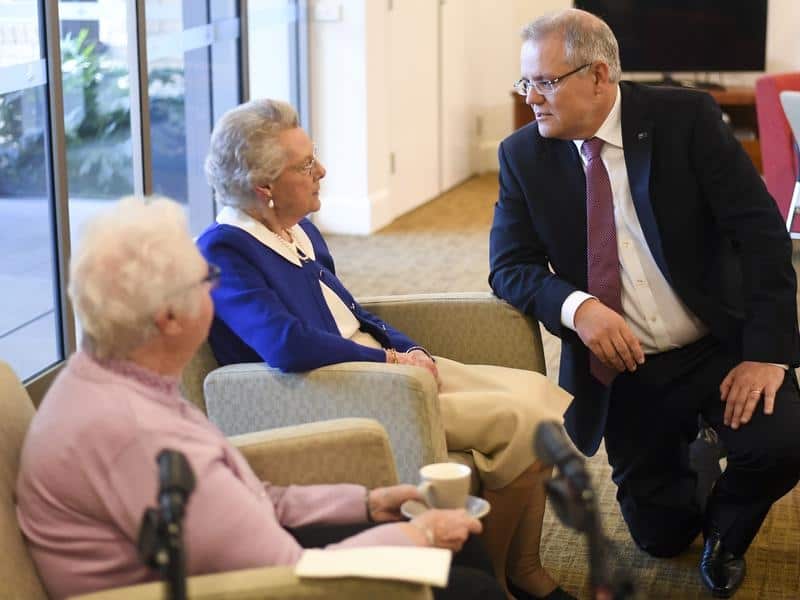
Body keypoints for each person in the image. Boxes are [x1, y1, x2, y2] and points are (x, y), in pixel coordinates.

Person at [14, 197, 505, 600]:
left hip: (231, 567)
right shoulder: (134, 434)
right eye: (207, 280)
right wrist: (419, 537)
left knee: (455, 551)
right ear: (168, 318)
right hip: (240, 585)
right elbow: (291, 574)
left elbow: (252, 499)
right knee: (465, 584)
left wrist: (369, 504)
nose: (216, 289)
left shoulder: (118, 376)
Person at [197, 98, 575, 600]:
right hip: (336, 389)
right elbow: (285, 343)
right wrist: (389, 362)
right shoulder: (225, 249)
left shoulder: (296, 229)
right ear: (264, 188)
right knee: (518, 424)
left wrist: (407, 346)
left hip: (378, 363)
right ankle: (499, 584)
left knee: (538, 395)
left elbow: (347, 309)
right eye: (306, 164)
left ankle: (525, 569)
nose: (323, 171)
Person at [489, 8, 800, 598]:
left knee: (783, 443)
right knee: (661, 537)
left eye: (545, 82)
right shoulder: (522, 156)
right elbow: (510, 269)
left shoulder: (686, 119)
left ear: (599, 76)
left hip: (717, 345)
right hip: (627, 366)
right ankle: (699, 454)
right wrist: (579, 307)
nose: (531, 97)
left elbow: (759, 233)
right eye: (524, 82)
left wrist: (767, 354)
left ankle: (727, 537)